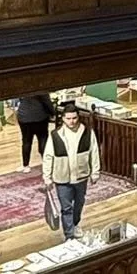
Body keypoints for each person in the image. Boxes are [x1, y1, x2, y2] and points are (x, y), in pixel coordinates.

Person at [41, 99, 100, 240]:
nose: (72, 121)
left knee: (79, 203)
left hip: (81, 176)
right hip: (62, 177)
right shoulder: (55, 135)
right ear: (63, 118)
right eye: (68, 118)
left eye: (74, 118)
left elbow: (94, 152)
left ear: (78, 117)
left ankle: (75, 224)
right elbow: (48, 156)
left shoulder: (87, 133)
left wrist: (95, 172)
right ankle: (69, 235)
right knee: (66, 208)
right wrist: (47, 177)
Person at [14, 91, 56, 169]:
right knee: (43, 139)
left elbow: (16, 100)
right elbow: (47, 101)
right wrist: (53, 113)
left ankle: (25, 166)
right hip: (40, 116)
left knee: (26, 141)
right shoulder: (40, 87)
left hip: (24, 116)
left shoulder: (21, 86)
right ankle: (46, 163)